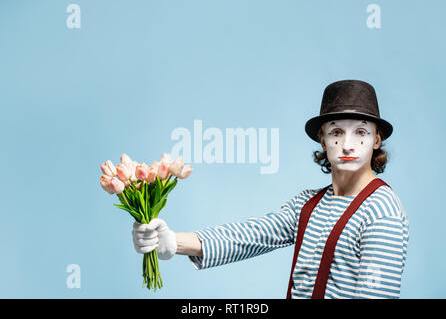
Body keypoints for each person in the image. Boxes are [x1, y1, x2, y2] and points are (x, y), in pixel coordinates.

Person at [132, 80, 409, 299]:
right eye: (336, 132)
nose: (348, 144)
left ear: (376, 140)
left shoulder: (380, 209)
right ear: (322, 140)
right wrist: (170, 242)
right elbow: (250, 235)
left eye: (360, 132)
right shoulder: (308, 205)